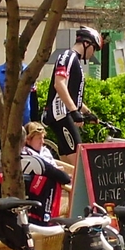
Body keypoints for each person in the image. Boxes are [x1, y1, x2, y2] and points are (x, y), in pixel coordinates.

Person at [0, 121, 73, 228]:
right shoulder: (33, 161)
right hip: (31, 214)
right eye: (39, 138)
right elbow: (65, 178)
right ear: (26, 140)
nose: (42, 142)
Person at [44, 27, 101, 155]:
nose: (93, 53)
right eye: (94, 48)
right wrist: (74, 111)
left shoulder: (74, 60)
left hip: (64, 114)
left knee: (68, 161)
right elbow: (59, 84)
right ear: (86, 43)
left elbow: (73, 96)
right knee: (79, 159)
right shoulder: (68, 56)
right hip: (61, 114)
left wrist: (88, 113)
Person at [0, 63, 39, 149]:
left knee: (26, 155)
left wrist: (35, 126)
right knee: (2, 155)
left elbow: (34, 101)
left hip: (24, 125)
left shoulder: (29, 72)